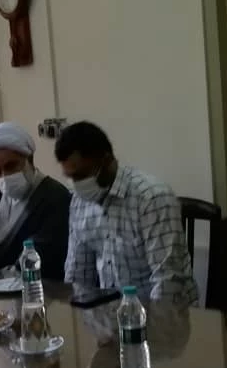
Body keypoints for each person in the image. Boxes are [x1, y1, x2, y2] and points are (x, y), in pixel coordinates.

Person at [54, 121, 197, 304]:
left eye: (81, 175)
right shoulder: (79, 203)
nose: (77, 184)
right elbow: (77, 274)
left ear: (106, 161)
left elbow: (168, 282)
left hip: (164, 312)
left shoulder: (152, 198)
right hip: (111, 312)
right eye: (71, 177)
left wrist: (140, 320)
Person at [0, 121, 71, 278]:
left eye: (11, 166)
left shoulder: (55, 197)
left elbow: (43, 254)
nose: (5, 176)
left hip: (30, 289)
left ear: (29, 160)